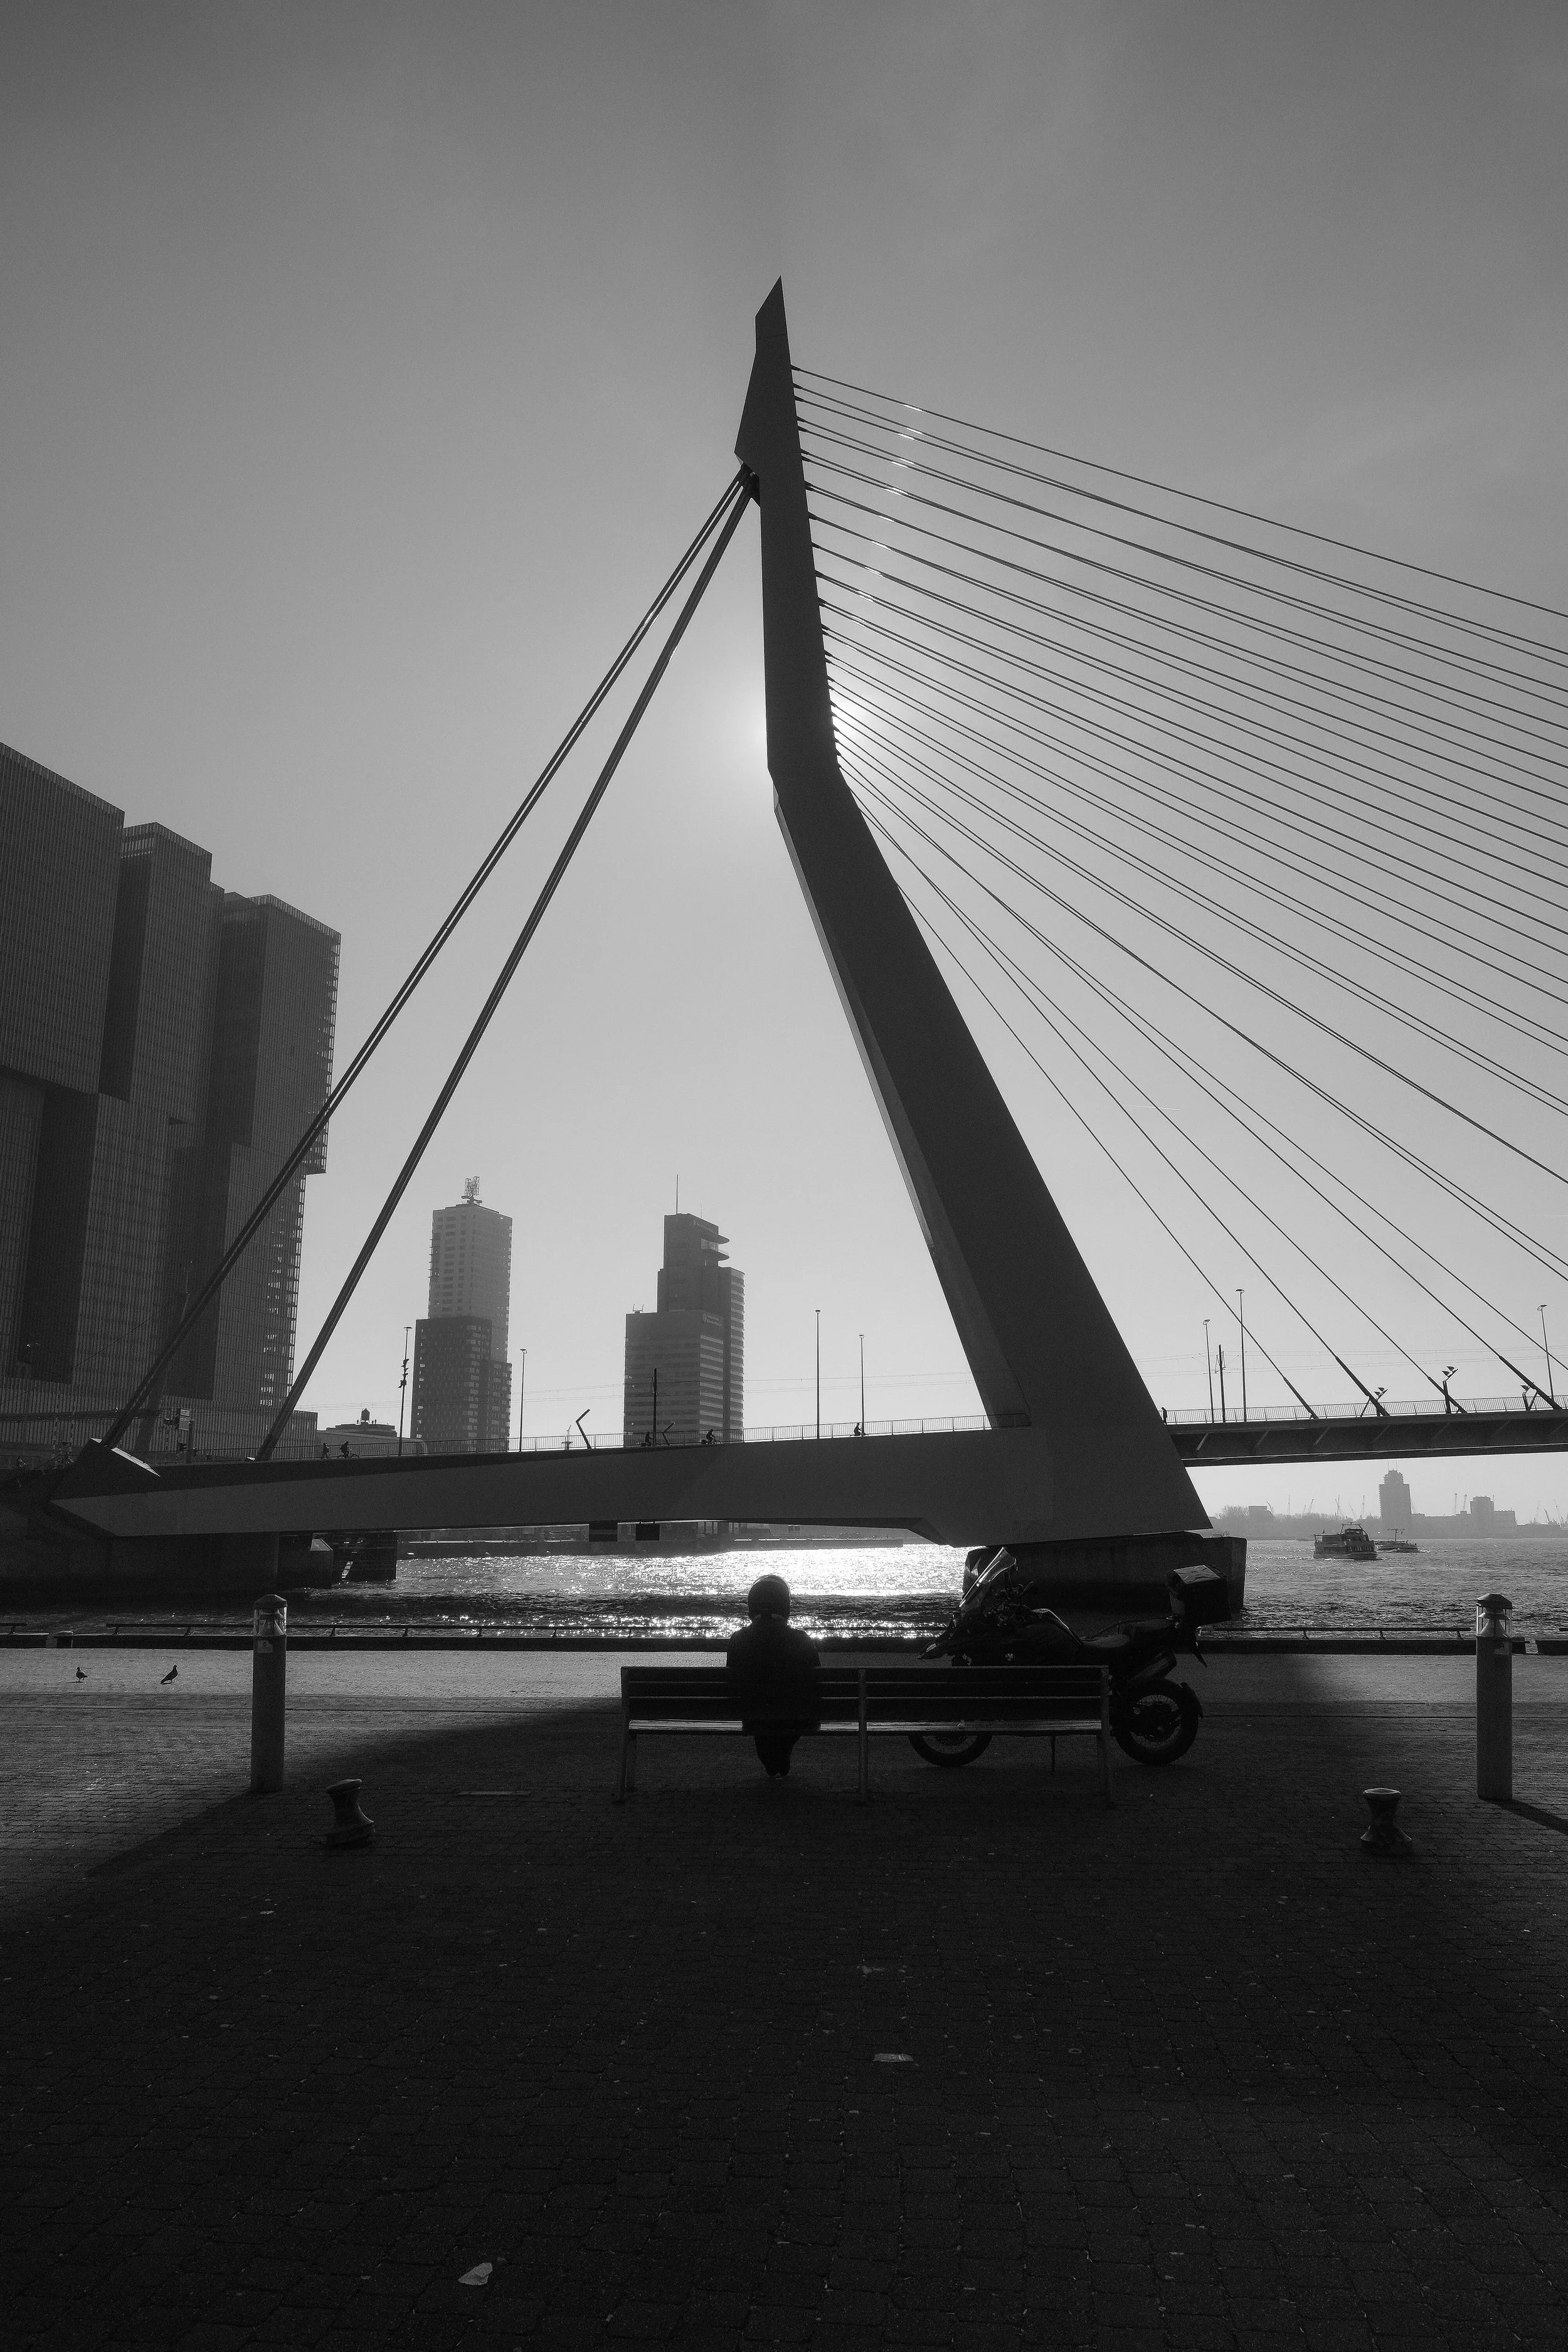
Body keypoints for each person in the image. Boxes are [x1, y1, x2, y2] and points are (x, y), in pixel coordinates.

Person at [725, 1574, 820, 1778]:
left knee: (765, 1728)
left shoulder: (739, 1639)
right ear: (786, 1607)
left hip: (752, 1715)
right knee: (786, 1719)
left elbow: (732, 1683)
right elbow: (816, 1682)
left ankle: (773, 1757)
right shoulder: (802, 1640)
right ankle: (780, 1753)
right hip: (797, 1717)